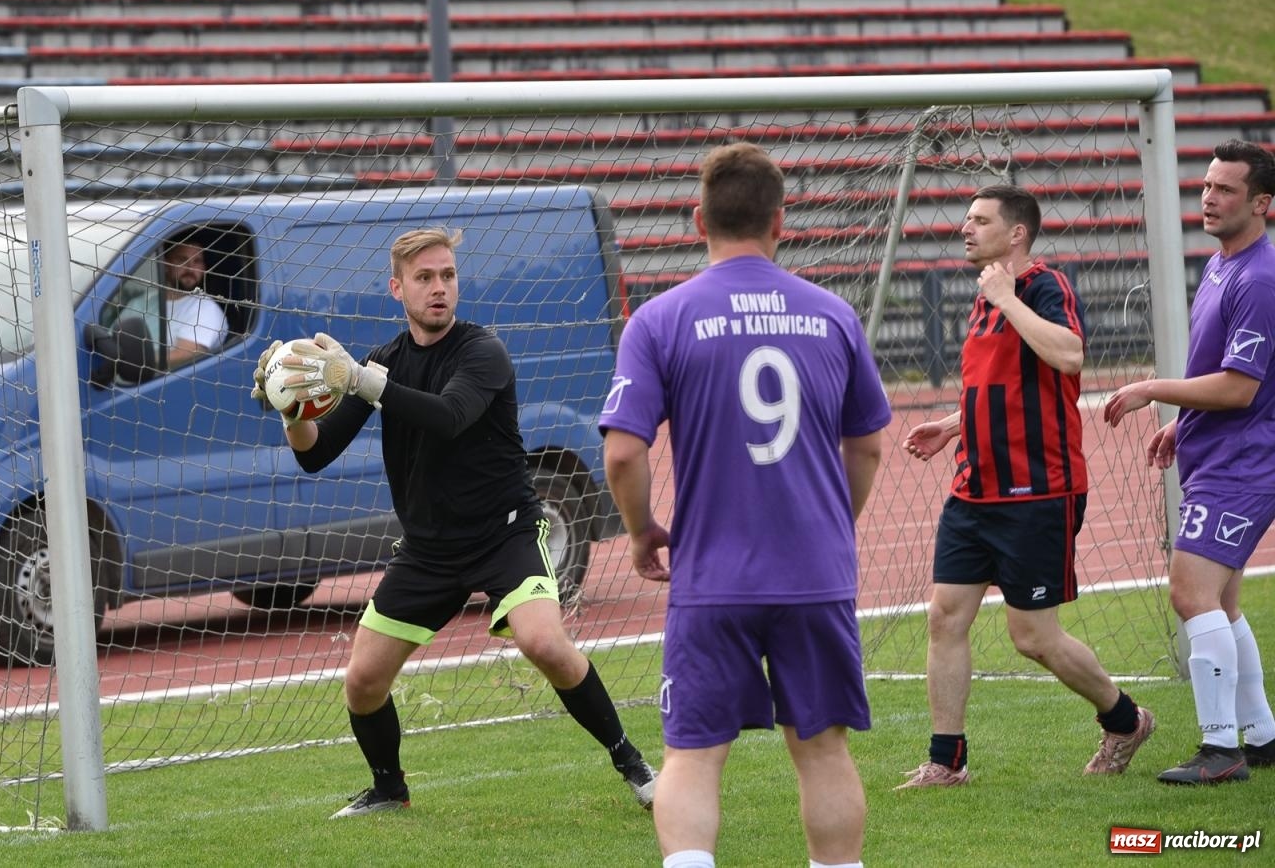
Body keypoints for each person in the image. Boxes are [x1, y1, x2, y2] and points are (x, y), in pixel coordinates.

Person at [251, 227, 657, 819]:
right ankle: (389, 789)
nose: (439, 288)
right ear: (398, 289)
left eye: (447, 275)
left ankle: (635, 765)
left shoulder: (481, 351)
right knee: (363, 681)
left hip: (506, 532)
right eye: (424, 278)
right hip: (427, 550)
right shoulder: (384, 363)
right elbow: (314, 455)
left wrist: (362, 381)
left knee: (544, 642)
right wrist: (291, 408)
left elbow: (448, 417)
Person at [600, 142, 889, 868]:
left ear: (697, 218)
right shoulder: (831, 316)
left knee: (692, 756)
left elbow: (623, 452)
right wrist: (830, 525)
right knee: (822, 750)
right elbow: (870, 447)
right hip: (813, 573)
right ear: (779, 222)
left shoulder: (661, 320)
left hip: (713, 577)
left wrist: (641, 533)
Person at [896, 183, 1154, 789]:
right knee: (944, 617)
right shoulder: (987, 297)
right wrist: (951, 425)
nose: (966, 228)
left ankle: (1125, 719)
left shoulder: (1041, 285)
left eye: (980, 220)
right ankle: (946, 761)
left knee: (1032, 637)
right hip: (973, 489)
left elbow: (1067, 356)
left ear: (1016, 233)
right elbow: (1005, 386)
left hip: (1037, 491)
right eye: (966, 219)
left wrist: (1008, 298)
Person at [1102, 138, 1275, 784]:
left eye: (1226, 189)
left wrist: (1152, 388)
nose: (1208, 196)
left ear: (1262, 203)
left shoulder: (1258, 278)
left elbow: (1241, 387)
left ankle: (1220, 750)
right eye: (1206, 185)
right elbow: (1225, 377)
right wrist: (1183, 423)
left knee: (1190, 592)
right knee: (1222, 602)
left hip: (1243, 465)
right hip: (1221, 451)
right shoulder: (1223, 264)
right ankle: (1259, 733)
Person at [162, 239, 228, 367]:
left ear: (204, 268)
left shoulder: (207, 309)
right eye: (182, 259)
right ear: (166, 265)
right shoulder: (143, 301)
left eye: (197, 262)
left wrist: (133, 361)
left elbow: (181, 357)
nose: (190, 268)